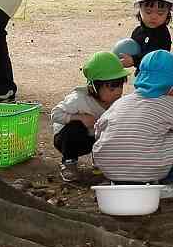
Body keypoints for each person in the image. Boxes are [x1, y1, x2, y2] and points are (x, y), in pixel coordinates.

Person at [92, 49, 173, 199]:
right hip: (150, 170)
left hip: (108, 167)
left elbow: (98, 129)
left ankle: (117, 183)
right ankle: (168, 186)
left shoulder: (121, 103)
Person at [51, 51, 129, 183]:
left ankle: (100, 164)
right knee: (75, 128)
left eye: (120, 86)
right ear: (93, 87)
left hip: (93, 139)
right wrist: (79, 118)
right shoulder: (78, 100)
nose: (118, 92)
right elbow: (55, 114)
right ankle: (69, 163)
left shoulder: (117, 103)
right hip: (68, 140)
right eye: (111, 88)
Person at [116, 0, 173, 68]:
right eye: (148, 12)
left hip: (156, 76)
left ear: (168, 13)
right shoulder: (138, 31)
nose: (154, 17)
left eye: (160, 13)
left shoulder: (163, 35)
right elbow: (133, 49)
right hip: (142, 74)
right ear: (139, 10)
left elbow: (156, 58)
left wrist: (134, 60)